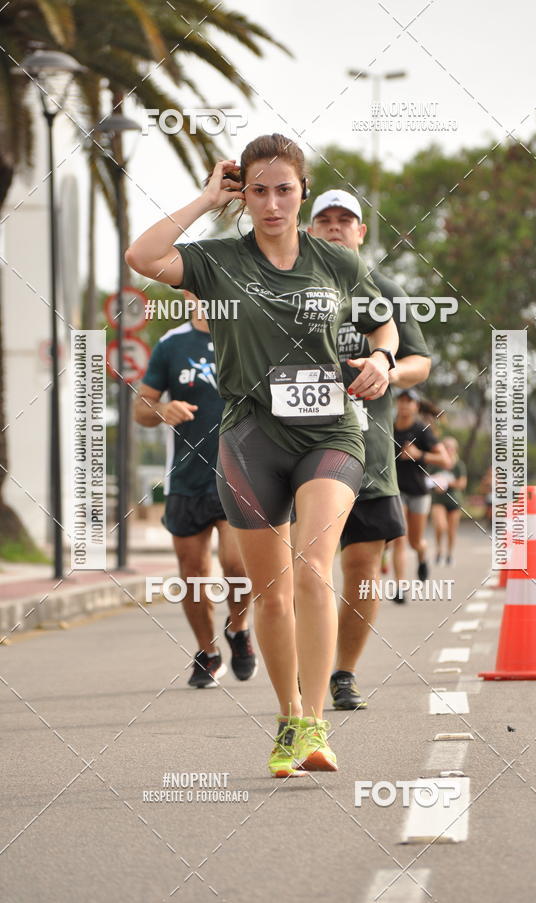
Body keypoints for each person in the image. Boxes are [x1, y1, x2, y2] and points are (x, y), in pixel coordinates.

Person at [125, 133, 399, 777]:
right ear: (242, 195)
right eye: (258, 190)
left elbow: (383, 321)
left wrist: (383, 358)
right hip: (251, 437)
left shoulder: (337, 263)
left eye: (284, 189)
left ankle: (316, 726)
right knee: (271, 594)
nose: (272, 203)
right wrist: (205, 200)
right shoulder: (218, 260)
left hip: (331, 433)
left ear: (302, 192)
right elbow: (143, 255)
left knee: (314, 569)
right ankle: (288, 717)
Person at [308, 189, 431, 710]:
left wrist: (386, 370)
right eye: (325, 220)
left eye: (346, 220)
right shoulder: (288, 287)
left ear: (361, 232)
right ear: (309, 230)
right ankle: (303, 668)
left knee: (362, 567)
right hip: (299, 451)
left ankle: (342, 673)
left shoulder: (385, 292)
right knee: (306, 568)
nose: (335, 228)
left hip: (369, 453)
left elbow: (420, 362)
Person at [134, 292, 257, 688]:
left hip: (241, 476)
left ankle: (238, 628)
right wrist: (161, 410)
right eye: (194, 285)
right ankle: (208, 652)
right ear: (186, 292)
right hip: (186, 479)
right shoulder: (172, 344)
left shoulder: (248, 335)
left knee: (237, 566)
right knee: (193, 574)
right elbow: (141, 407)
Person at [390, 389, 450, 599]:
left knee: (415, 542)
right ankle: (400, 587)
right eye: (401, 400)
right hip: (396, 490)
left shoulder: (422, 430)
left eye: (409, 401)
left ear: (416, 406)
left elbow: (445, 460)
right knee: (399, 537)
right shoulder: (388, 427)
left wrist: (418, 455)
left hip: (418, 492)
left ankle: (422, 556)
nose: (404, 405)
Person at [430, 436, 468, 565]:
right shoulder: (435, 464)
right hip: (438, 500)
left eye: (451, 448)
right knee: (441, 526)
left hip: (454, 501)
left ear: (455, 450)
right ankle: (438, 551)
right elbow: (427, 479)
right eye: (445, 447)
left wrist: (446, 483)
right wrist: (435, 483)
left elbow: (462, 483)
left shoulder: (458, 465)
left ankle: (449, 554)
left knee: (452, 530)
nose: (448, 450)